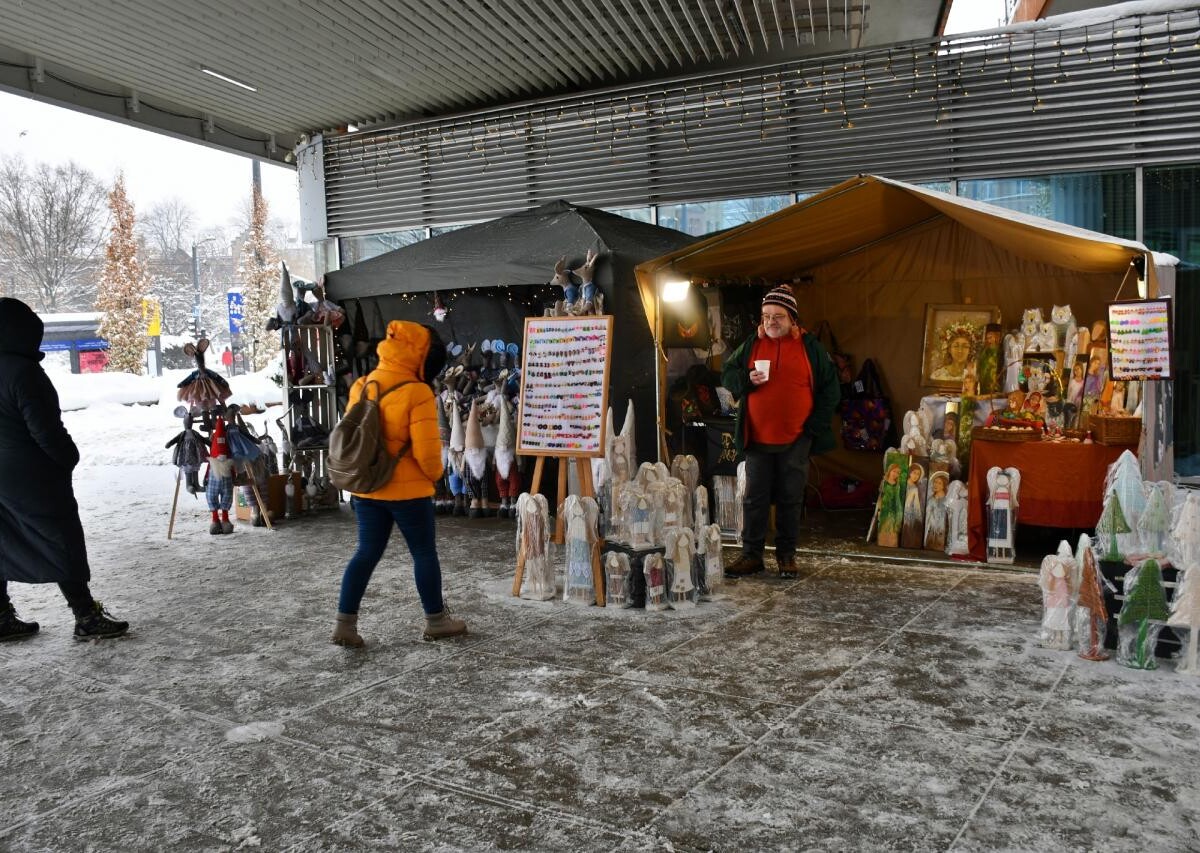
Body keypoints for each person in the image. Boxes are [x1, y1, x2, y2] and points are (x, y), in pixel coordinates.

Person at [331, 320, 467, 647]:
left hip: (367, 487)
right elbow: (428, 454)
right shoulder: (417, 392)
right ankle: (436, 620)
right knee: (423, 552)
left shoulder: (362, 385)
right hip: (409, 494)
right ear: (421, 355)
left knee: (365, 553)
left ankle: (344, 625)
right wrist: (435, 476)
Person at [0, 298, 129, 642]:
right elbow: (45, 430)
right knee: (61, 536)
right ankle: (86, 614)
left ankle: (0, 616)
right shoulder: (24, 373)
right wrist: (66, 457)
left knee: (2, 539)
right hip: (30, 474)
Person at [721, 284, 840, 578]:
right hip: (757, 437)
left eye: (778, 316)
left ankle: (786, 556)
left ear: (793, 319)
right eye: (766, 316)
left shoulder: (810, 347)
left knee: (790, 498)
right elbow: (728, 373)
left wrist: (812, 428)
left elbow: (831, 389)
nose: (771, 321)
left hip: (796, 438)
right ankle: (752, 556)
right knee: (754, 498)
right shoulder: (751, 344)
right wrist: (746, 378)